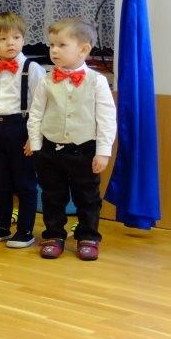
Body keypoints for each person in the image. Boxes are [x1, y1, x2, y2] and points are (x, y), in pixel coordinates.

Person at [28, 17, 116, 261]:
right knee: (52, 195)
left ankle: (88, 236)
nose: (54, 50)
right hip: (50, 149)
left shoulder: (97, 81)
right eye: (51, 45)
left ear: (84, 49)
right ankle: (54, 234)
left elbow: (107, 119)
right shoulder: (46, 79)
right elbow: (35, 114)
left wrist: (103, 151)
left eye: (61, 45)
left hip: (84, 149)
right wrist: (36, 145)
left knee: (87, 196)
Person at [0, 13, 44, 249]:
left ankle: (25, 230)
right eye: (3, 39)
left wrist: (34, 138)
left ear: (23, 39)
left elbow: (40, 107)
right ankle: (2, 226)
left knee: (25, 182)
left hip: (22, 128)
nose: (10, 43)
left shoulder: (32, 69)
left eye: (16, 37)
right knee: (0, 181)